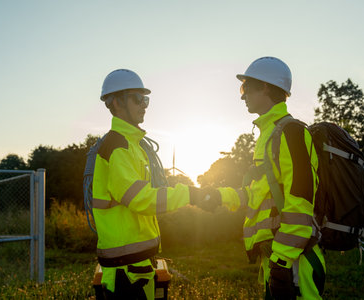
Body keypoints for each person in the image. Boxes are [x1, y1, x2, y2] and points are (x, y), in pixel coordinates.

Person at [197, 57, 326, 299]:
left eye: (245, 88)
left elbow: (301, 201)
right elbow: (258, 194)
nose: (242, 96)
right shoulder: (269, 133)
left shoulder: (292, 132)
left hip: (295, 260)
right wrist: (217, 196)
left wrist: (282, 261)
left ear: (265, 87)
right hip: (279, 257)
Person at [92, 69, 200, 299]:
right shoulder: (117, 147)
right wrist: (190, 194)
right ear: (117, 103)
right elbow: (141, 199)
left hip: (136, 264)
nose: (145, 105)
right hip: (125, 271)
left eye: (146, 99)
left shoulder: (132, 146)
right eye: (138, 99)